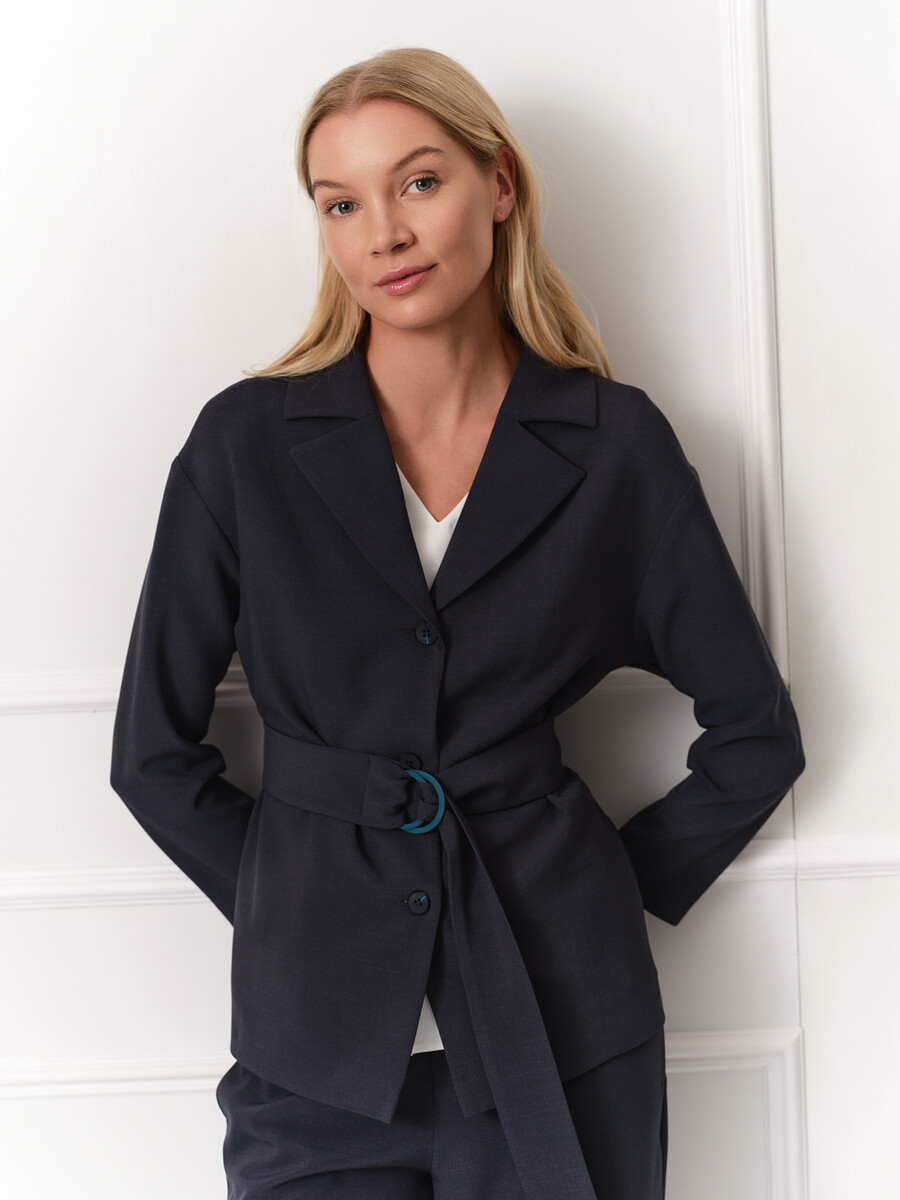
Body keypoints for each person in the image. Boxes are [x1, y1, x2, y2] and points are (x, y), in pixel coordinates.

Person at [110, 46, 805, 1200]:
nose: (383, 233)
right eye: (341, 203)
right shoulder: (245, 447)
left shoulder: (615, 447)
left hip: (565, 1028)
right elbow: (150, 755)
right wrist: (305, 907)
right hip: (315, 1052)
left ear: (501, 184)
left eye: (419, 182)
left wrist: (594, 896)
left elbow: (755, 735)